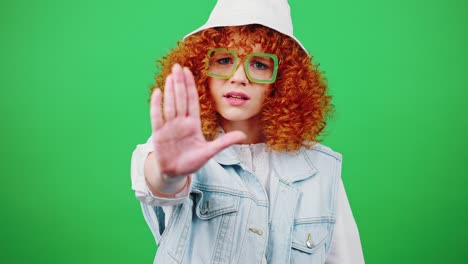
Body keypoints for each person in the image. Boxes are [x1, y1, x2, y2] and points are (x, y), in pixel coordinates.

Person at [131, 0, 364, 263]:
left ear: (283, 81)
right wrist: (167, 173)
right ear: (200, 71)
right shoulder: (182, 151)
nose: (239, 77)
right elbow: (158, 183)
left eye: (260, 65)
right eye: (224, 59)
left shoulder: (320, 170)